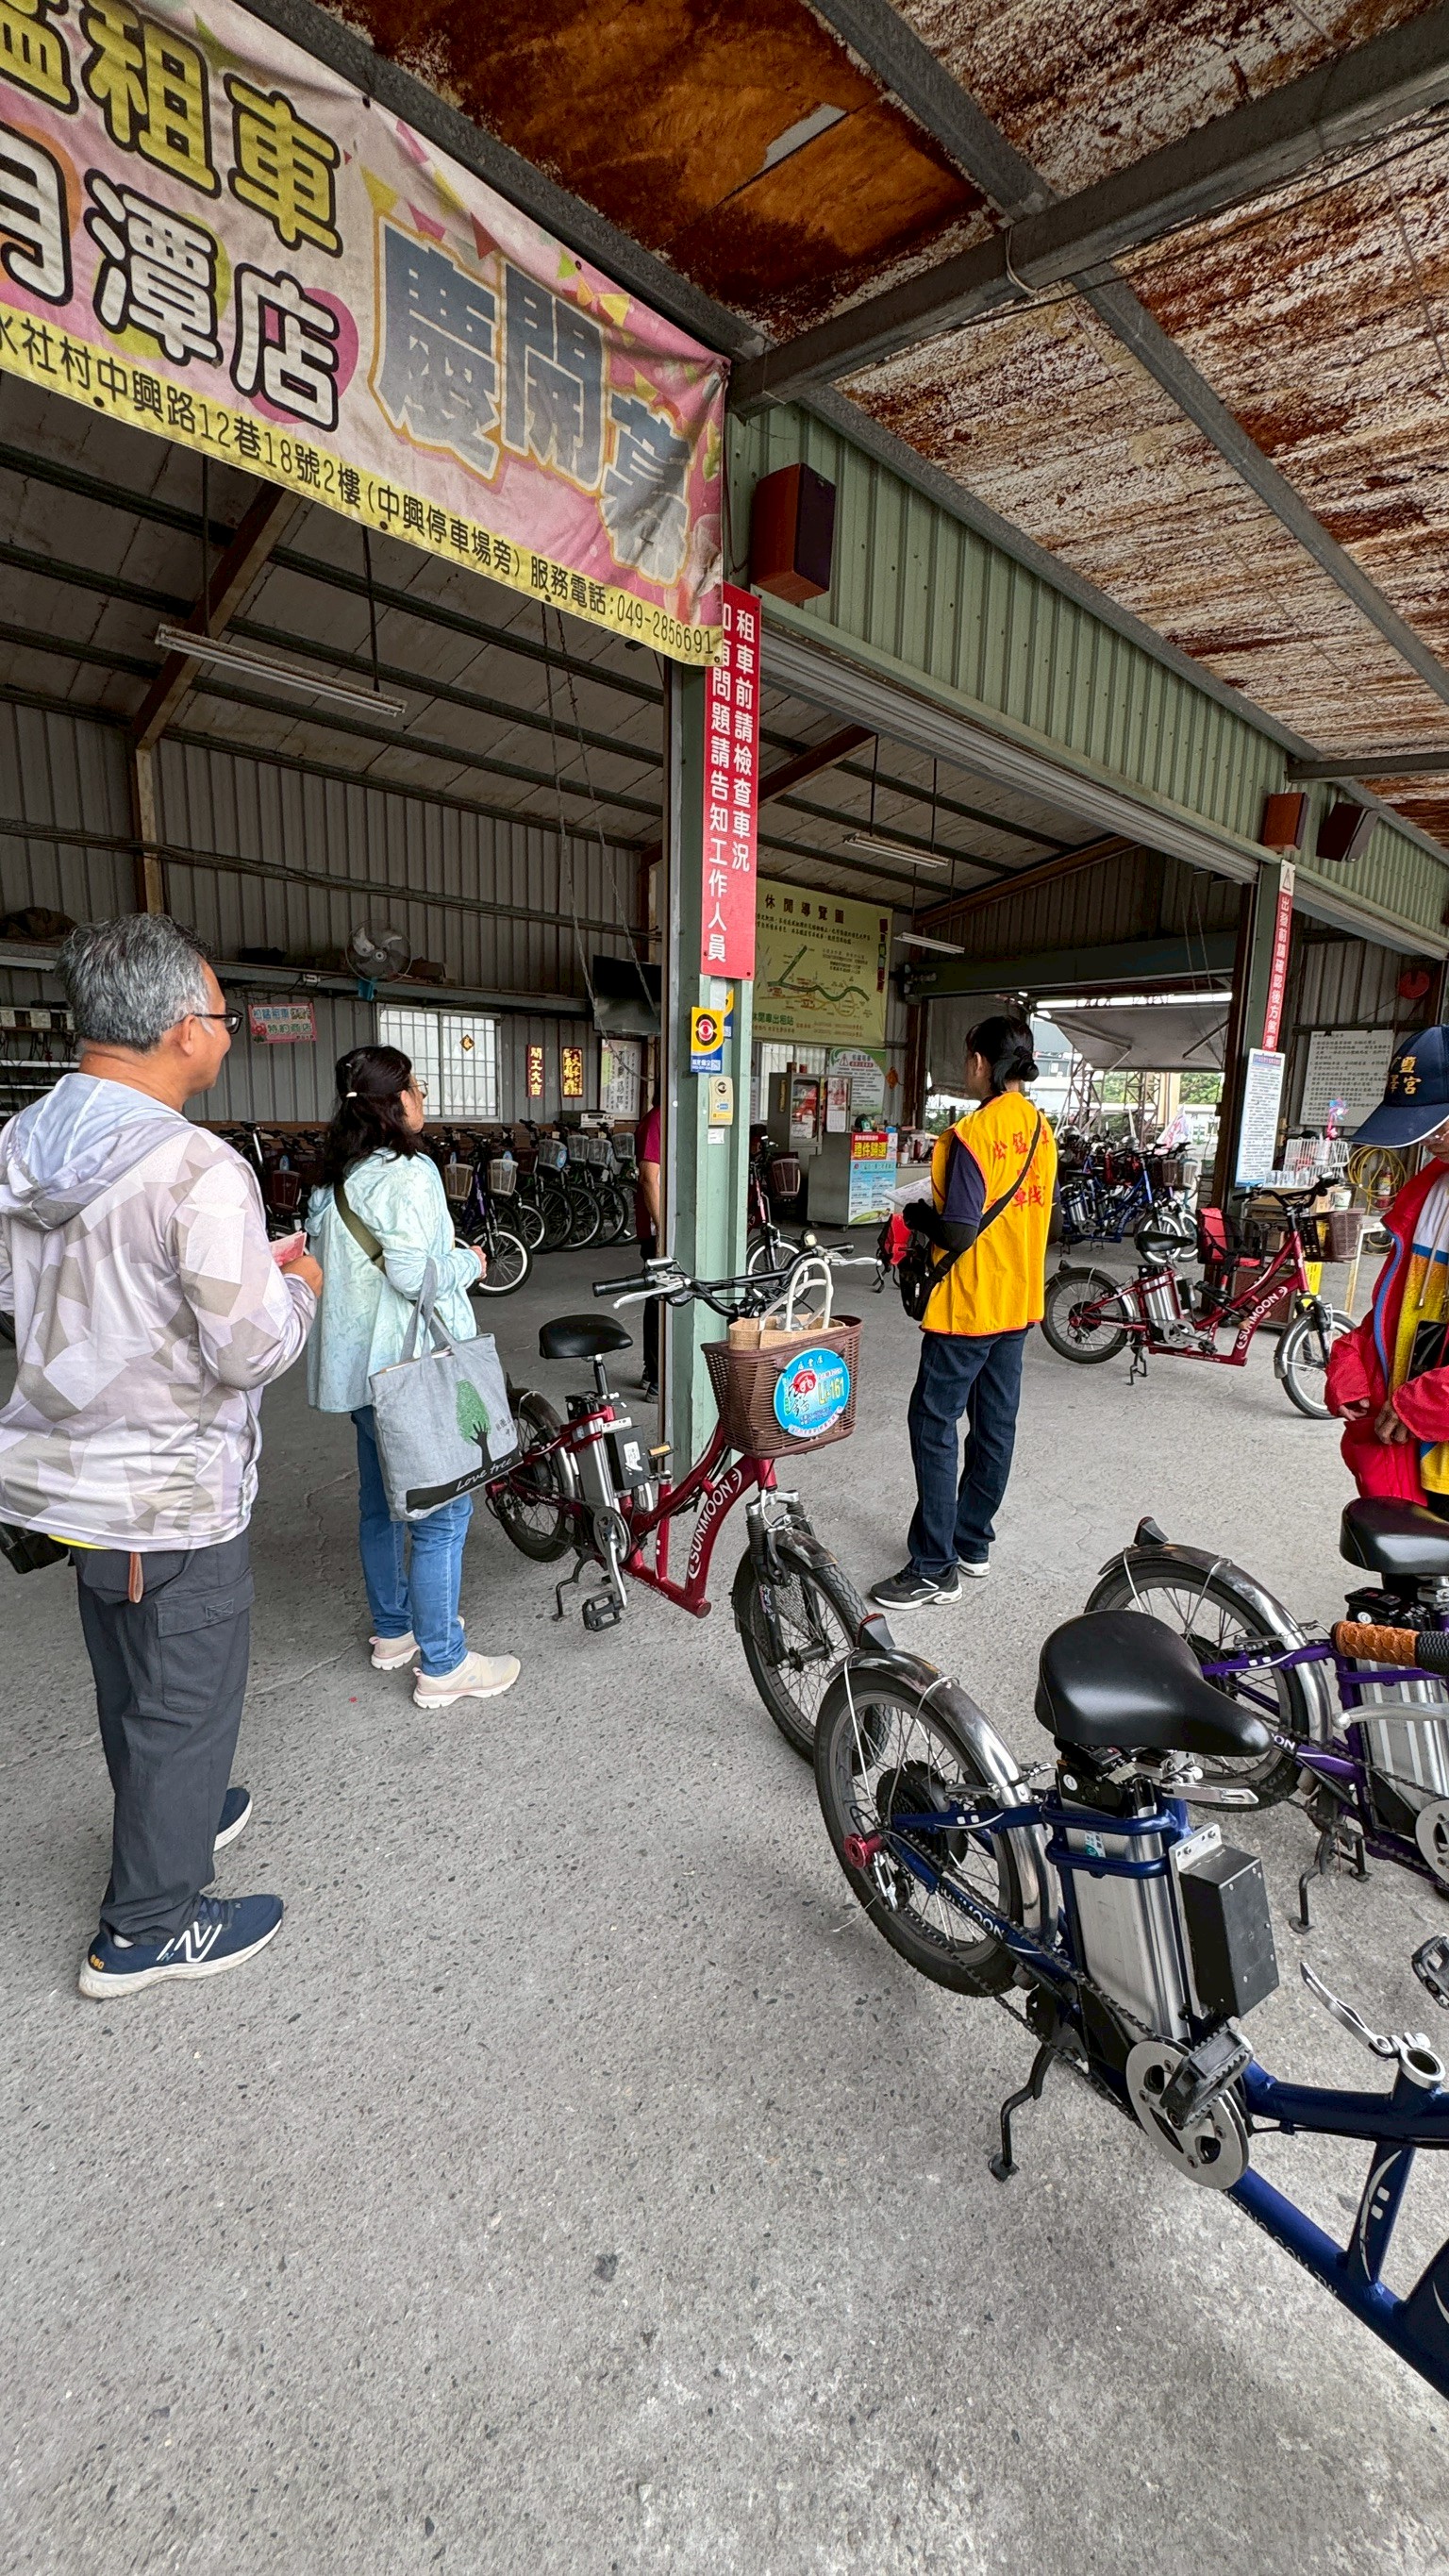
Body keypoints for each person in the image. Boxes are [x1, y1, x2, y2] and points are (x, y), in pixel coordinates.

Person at [0, 916, 320, 1999]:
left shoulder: (25, 1139)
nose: (227, 1033)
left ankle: (173, 1811)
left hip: (69, 1480)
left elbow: (18, 1291)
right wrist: (297, 1286)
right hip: (167, 1490)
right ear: (184, 1027)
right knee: (184, 1693)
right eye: (224, 1016)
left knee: (132, 1677)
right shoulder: (195, 1166)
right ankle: (146, 1929)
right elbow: (250, 1350)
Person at [307, 1045, 520, 1708]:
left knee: (382, 1506)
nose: (422, 1097)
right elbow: (415, 1277)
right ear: (396, 1101)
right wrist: (472, 1263)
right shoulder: (410, 1172)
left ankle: (394, 1631)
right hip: (412, 1374)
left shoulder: (333, 1179)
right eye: (417, 1087)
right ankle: (444, 1664)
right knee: (442, 1514)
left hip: (362, 1378)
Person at [873, 1015, 1057, 1612]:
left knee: (933, 1423)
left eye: (968, 1058)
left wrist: (917, 1216)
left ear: (980, 1061)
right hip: (1018, 1303)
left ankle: (933, 1567)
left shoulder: (974, 1133)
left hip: (969, 1304)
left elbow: (957, 1231)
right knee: (995, 1425)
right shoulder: (1041, 1130)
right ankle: (972, 1540)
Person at [1325, 1026, 1449, 1512]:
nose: (1432, 1139)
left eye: (1442, 1123)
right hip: (1410, 1447)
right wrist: (1351, 1360)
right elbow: (1398, 1313)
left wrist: (1425, 1402)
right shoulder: (1428, 1193)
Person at [634, 1084, 661, 1399]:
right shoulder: (657, 1120)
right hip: (658, 1229)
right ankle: (656, 1376)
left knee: (659, 1295)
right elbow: (648, 1178)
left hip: (664, 1225)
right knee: (661, 1297)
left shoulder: (664, 1118)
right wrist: (662, 1227)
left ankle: (649, 1371)